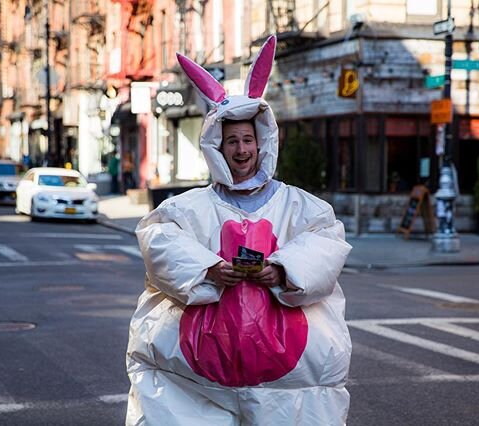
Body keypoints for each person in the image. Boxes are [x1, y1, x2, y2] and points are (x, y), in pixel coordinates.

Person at [126, 35, 352, 425]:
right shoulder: (186, 208)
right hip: (197, 380)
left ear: (263, 142)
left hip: (288, 381)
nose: (241, 149)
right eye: (231, 140)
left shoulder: (300, 205)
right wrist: (207, 268)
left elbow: (326, 242)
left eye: (248, 138)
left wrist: (284, 269)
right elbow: (158, 239)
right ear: (217, 146)